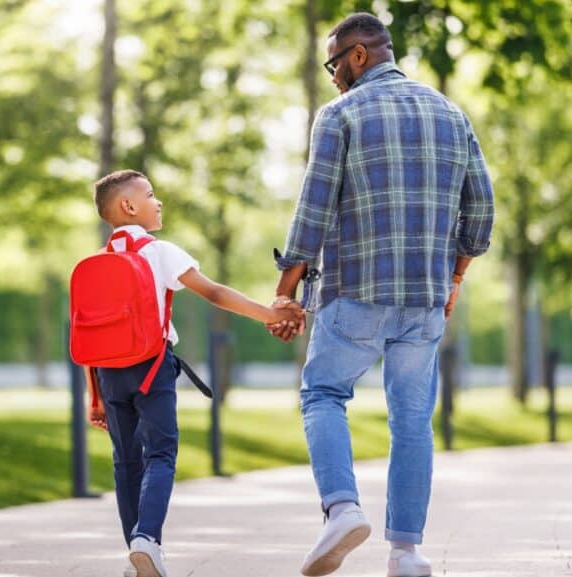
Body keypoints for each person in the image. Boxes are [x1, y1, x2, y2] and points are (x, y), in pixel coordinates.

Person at [268, 13, 495, 577]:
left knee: (322, 392)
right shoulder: (451, 112)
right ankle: (407, 553)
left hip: (357, 291)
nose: (333, 77)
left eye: (334, 64)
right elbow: (483, 210)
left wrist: (284, 294)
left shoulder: (340, 114)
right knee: (413, 420)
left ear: (359, 55)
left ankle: (342, 509)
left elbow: (313, 211)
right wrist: (456, 276)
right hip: (424, 299)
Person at [84, 169, 303, 577]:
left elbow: (86, 337)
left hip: (109, 375)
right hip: (151, 368)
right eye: (150, 194)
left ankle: (136, 550)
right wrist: (271, 313)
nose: (158, 201)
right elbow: (215, 292)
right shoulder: (160, 251)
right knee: (161, 453)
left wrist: (93, 395)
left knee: (126, 462)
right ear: (128, 206)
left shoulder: (96, 263)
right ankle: (147, 540)